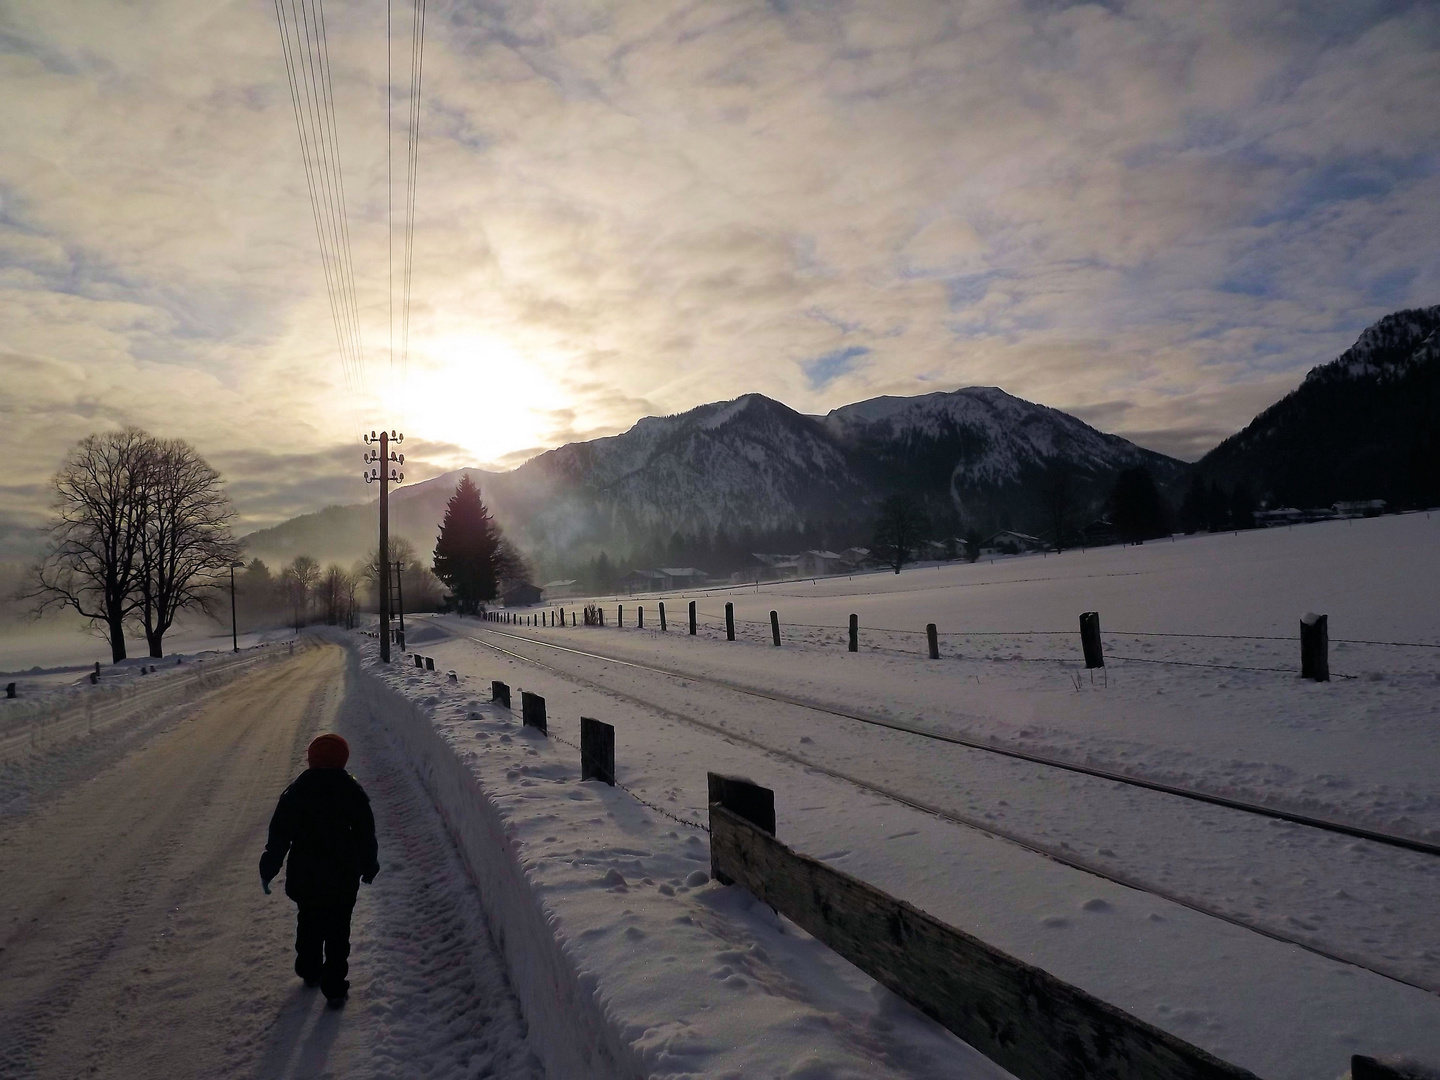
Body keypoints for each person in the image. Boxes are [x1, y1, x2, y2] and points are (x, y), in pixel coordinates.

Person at [259, 733, 379, 1007]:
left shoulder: (297, 791)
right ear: (342, 761)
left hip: (306, 875)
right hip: (342, 876)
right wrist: (369, 865)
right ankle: (335, 988)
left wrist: (268, 869)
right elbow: (365, 834)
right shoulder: (352, 791)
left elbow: (279, 836)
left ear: (312, 760)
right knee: (338, 933)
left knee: (309, 923)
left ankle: (310, 971)